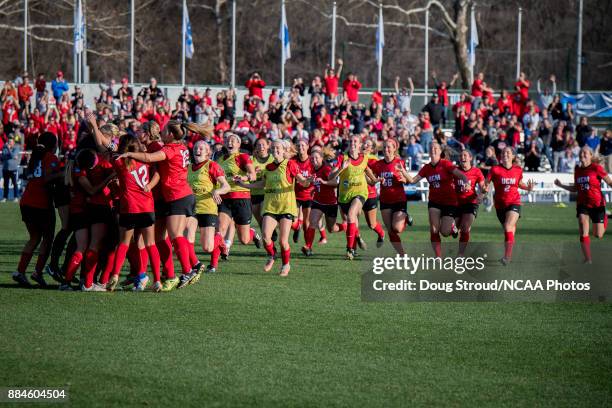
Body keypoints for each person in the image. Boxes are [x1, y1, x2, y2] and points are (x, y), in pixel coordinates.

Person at [119, 121, 197, 289]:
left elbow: (150, 160)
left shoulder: (162, 148)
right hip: (171, 196)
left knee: (169, 236)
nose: (137, 132)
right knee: (159, 238)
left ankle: (187, 270)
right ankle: (162, 274)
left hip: (171, 196)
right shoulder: (176, 146)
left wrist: (129, 155)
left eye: (140, 130)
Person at [236, 139, 312, 276]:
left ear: (284, 151)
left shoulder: (290, 164)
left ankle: (285, 265)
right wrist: (243, 185)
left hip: (286, 207)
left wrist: (309, 181)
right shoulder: (269, 167)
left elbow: (303, 182)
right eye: (274, 148)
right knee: (265, 238)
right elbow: (261, 184)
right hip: (270, 207)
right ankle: (272, 255)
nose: (275, 150)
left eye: (278, 148)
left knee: (283, 242)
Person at [104, 135, 161, 291]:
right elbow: (158, 174)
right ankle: (157, 280)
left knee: (123, 243)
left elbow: (107, 145)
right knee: (150, 244)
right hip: (147, 206)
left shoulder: (118, 161)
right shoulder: (146, 160)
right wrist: (149, 185)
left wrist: (94, 127)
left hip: (129, 207)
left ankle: (115, 274)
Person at [13, 133, 61, 287]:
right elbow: (47, 178)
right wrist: (64, 171)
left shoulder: (35, 156)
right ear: (53, 145)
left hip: (27, 202)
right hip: (41, 204)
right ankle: (37, 272)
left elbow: (30, 175)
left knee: (34, 238)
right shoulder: (51, 157)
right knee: (47, 240)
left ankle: (20, 271)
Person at [405, 142, 468, 257]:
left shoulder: (446, 164)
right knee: (434, 229)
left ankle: (453, 226)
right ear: (429, 152)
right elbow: (413, 181)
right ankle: (438, 256)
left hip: (449, 201)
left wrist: (466, 183)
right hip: (434, 201)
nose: (433, 150)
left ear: (440, 151)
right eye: (431, 149)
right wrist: (403, 172)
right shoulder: (426, 168)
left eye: (435, 148)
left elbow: (462, 175)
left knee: (444, 232)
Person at [555, 147, 611, 263]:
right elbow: (575, 188)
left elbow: (610, 182)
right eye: (581, 152)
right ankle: (587, 259)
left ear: (591, 155)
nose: (582, 154)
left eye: (585, 152)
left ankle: (605, 217)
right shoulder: (577, 170)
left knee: (598, 235)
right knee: (582, 224)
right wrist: (561, 185)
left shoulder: (596, 168)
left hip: (597, 204)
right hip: (582, 204)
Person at [483, 147, 535, 265]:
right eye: (503, 152)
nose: (505, 154)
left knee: (508, 226)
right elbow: (486, 183)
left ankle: (507, 257)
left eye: (508, 152)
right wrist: (484, 190)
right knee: (509, 230)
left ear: (513, 156)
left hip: (514, 202)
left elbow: (519, 183)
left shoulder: (518, 170)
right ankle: (508, 254)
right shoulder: (495, 169)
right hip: (500, 205)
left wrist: (528, 188)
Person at [328, 135, 377, 260]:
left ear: (360, 145)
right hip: (344, 195)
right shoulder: (342, 158)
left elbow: (368, 172)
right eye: (351, 141)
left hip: (360, 193)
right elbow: (330, 176)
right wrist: (341, 168)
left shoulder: (364, 158)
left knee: (351, 215)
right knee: (351, 221)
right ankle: (357, 238)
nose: (353, 143)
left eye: (355, 141)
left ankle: (350, 249)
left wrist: (376, 180)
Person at [216, 133, 262, 258]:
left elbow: (253, 175)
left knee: (244, 239)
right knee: (220, 230)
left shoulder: (243, 157)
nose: (229, 142)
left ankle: (252, 233)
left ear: (238, 144)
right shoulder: (220, 160)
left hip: (241, 198)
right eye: (227, 140)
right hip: (225, 198)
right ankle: (215, 261)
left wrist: (243, 177)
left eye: (233, 140)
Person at [190, 140, 231, 275]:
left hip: (208, 208)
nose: (198, 150)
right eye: (196, 147)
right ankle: (194, 266)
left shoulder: (212, 165)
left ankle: (219, 238)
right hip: (191, 209)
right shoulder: (188, 167)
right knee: (186, 239)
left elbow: (226, 186)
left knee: (207, 247)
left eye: (202, 148)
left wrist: (217, 191)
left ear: (208, 153)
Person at [369, 139, 409, 254]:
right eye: (384, 147)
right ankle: (402, 254)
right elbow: (371, 181)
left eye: (389, 147)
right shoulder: (378, 164)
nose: (386, 149)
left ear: (394, 148)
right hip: (385, 200)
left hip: (399, 199)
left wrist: (403, 179)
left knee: (397, 228)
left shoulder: (399, 163)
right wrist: (375, 180)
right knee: (391, 231)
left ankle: (406, 217)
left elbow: (407, 179)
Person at [301, 148, 342, 256]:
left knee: (332, 229)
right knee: (312, 222)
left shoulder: (326, 169)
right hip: (318, 202)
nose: (314, 160)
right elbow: (317, 183)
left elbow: (334, 182)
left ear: (322, 158)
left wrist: (323, 182)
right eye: (312, 158)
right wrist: (315, 188)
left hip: (330, 203)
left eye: (316, 158)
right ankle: (308, 247)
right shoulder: (313, 169)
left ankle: (346, 227)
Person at [453, 150, 485, 256]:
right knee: (449, 231)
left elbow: (483, 187)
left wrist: (481, 195)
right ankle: (455, 229)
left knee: (465, 228)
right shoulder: (455, 171)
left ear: (470, 158)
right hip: (457, 204)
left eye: (465, 155)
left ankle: (460, 255)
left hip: (471, 202)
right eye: (461, 155)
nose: (463, 157)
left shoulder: (476, 171)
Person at [362, 138, 387, 248]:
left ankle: (381, 234)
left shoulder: (373, 160)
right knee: (351, 219)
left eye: (368, 145)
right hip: (355, 193)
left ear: (372, 149)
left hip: (369, 193)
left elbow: (374, 178)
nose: (365, 146)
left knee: (371, 224)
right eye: (364, 144)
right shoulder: (356, 157)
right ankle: (351, 248)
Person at [250, 138, 274, 235]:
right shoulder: (251, 159)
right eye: (259, 145)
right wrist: (252, 173)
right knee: (258, 216)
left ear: (268, 146)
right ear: (256, 147)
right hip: (254, 192)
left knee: (263, 214)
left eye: (263, 144)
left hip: (267, 192)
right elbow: (248, 174)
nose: (261, 147)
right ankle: (266, 231)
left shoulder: (273, 159)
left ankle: (270, 233)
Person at [1, 136, 21, 202]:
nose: (9, 143)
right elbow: (3, 155)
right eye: (9, 141)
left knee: (15, 183)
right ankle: (5, 197)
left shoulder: (16, 147)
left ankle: (16, 197)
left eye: (11, 142)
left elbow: (12, 155)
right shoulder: (5, 147)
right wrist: (11, 155)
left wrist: (9, 150)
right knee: (5, 184)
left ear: (13, 142)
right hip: (5, 168)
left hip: (13, 169)